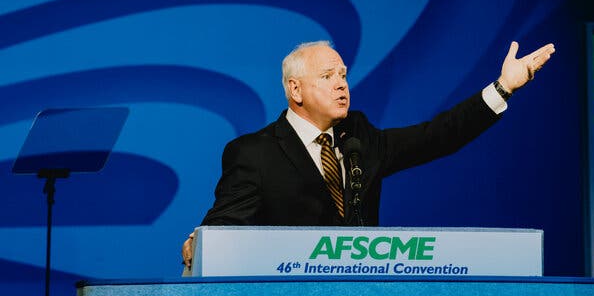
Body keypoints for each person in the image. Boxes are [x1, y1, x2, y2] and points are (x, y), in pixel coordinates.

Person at [182, 40, 555, 268]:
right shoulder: (254, 152)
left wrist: (503, 87)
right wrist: (203, 240)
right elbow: (225, 223)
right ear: (295, 90)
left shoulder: (359, 136)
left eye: (343, 74)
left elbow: (437, 137)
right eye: (327, 76)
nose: (342, 84)